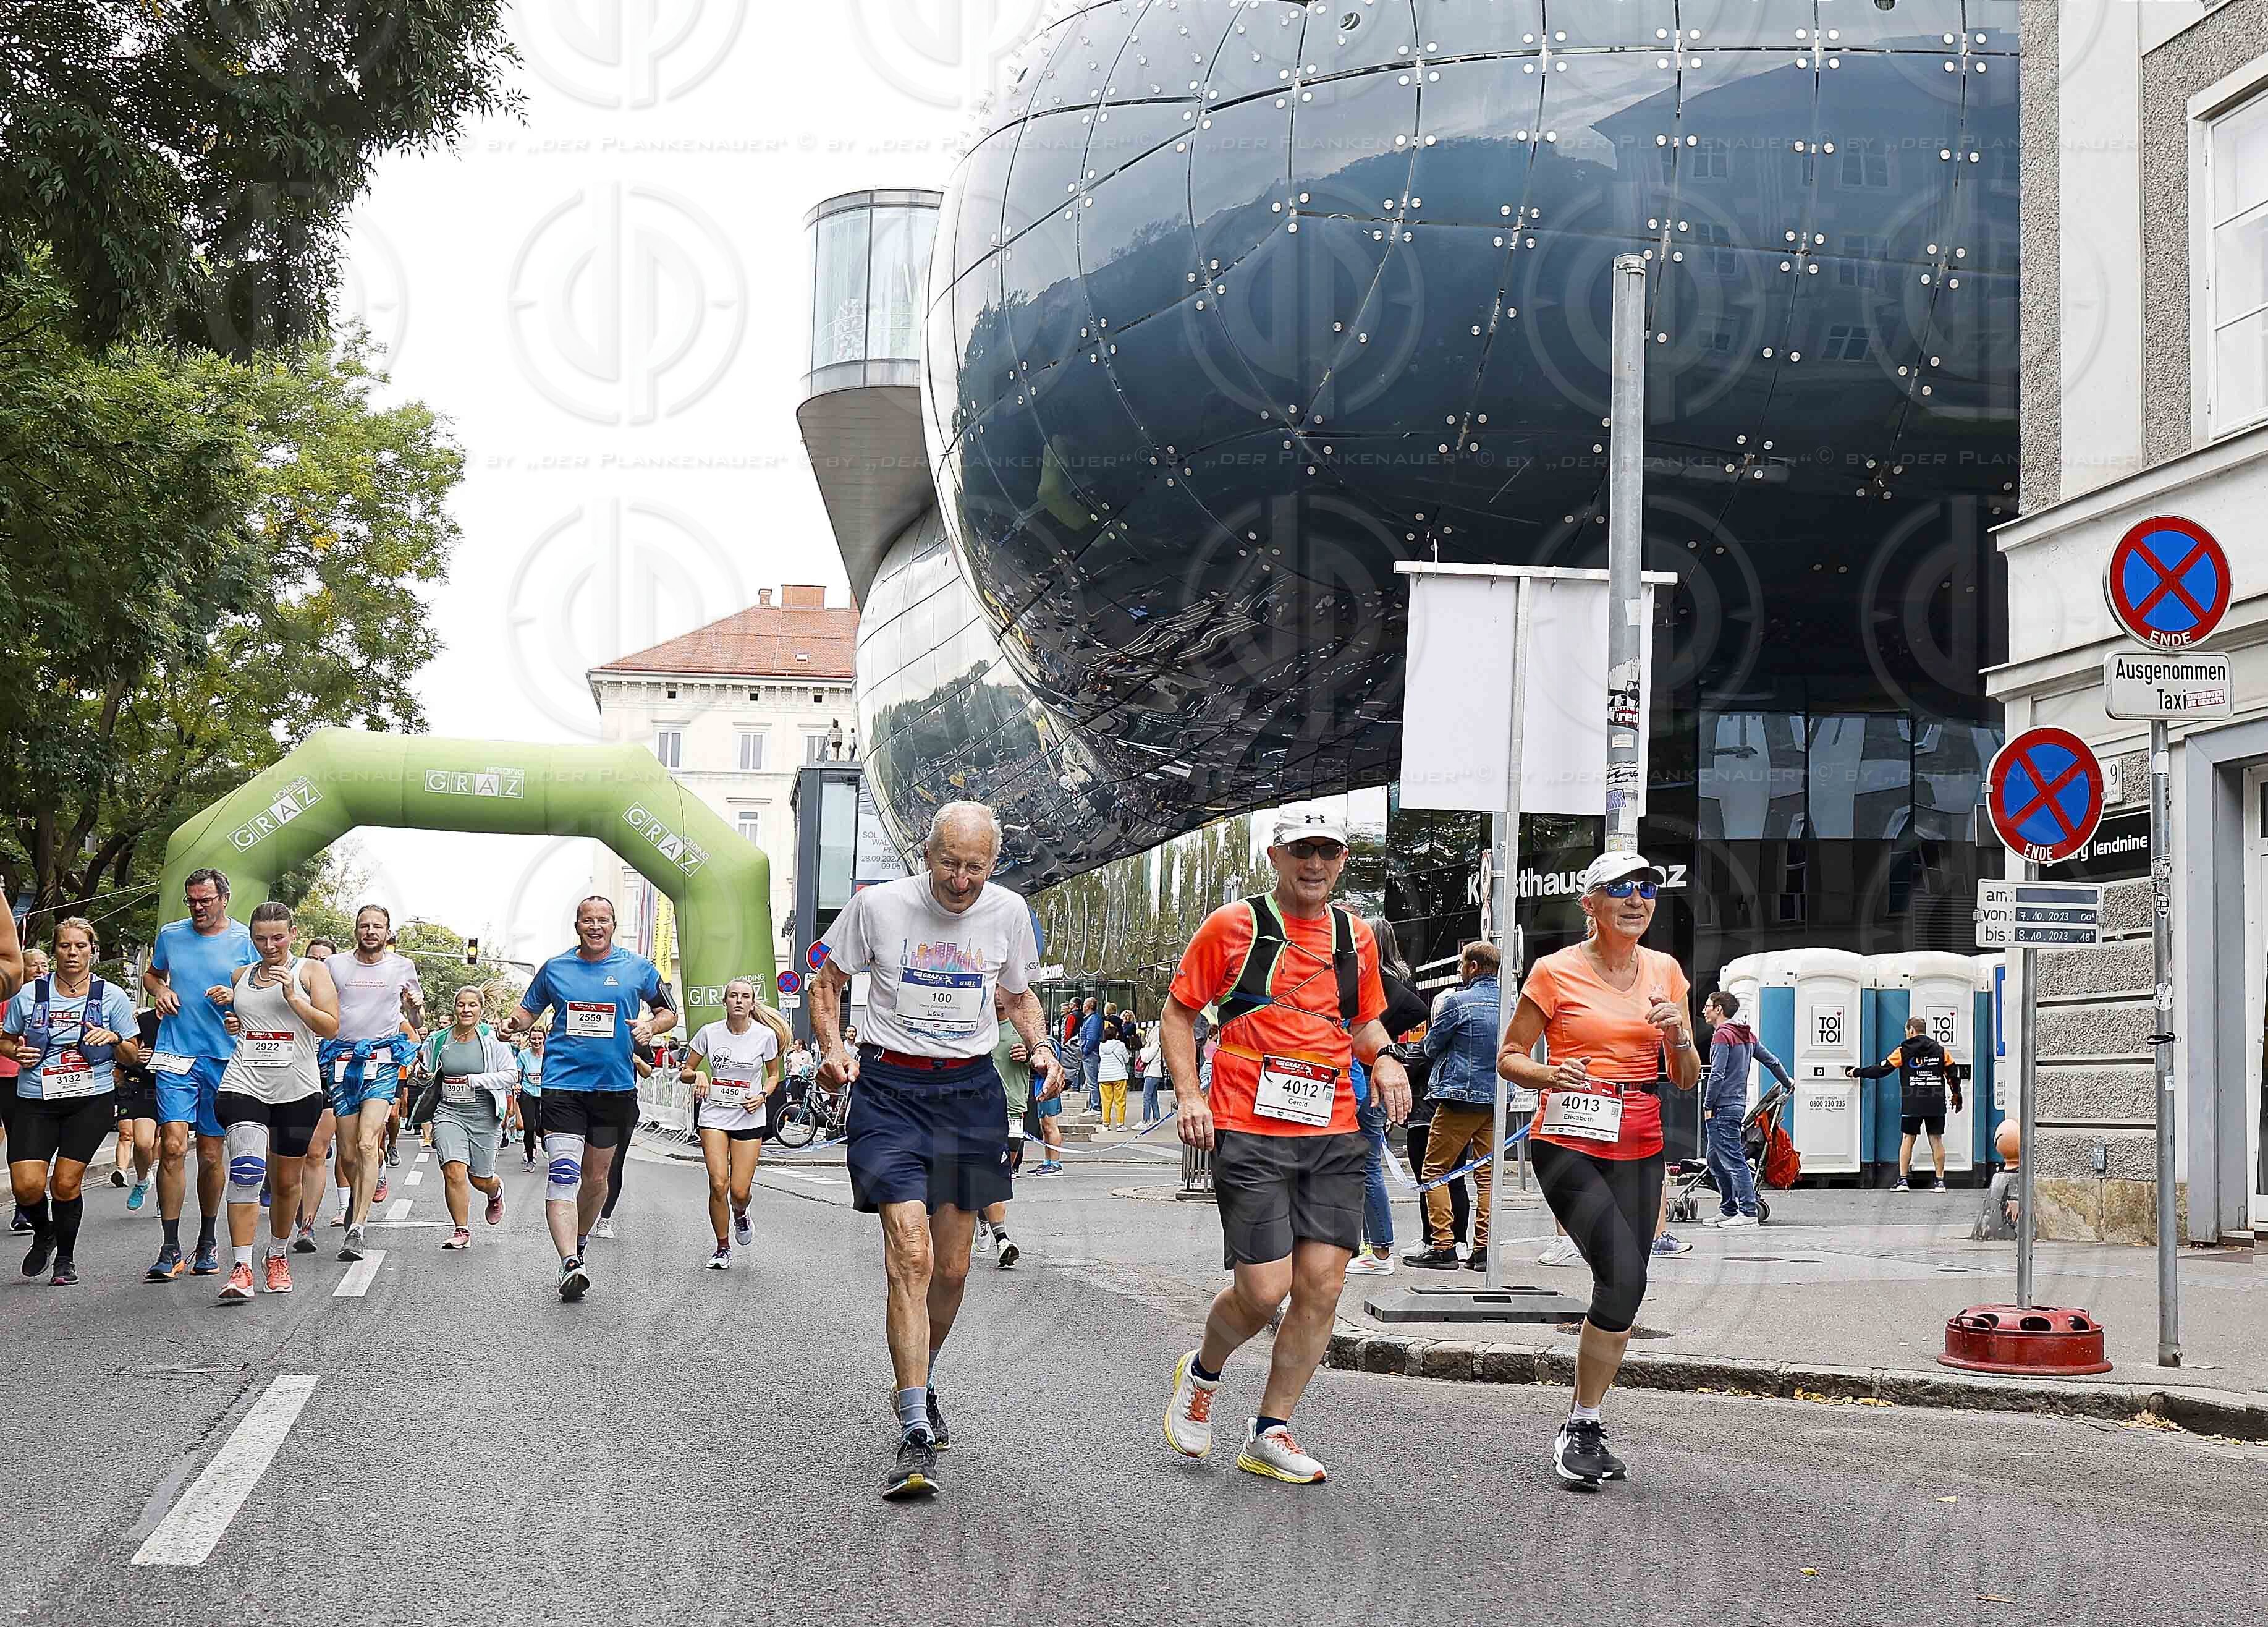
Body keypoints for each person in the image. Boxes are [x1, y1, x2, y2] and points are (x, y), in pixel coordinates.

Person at [808, 800, 1062, 1502]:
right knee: (911, 1254)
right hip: (890, 1090)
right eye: (949, 862)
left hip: (970, 1095)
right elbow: (826, 982)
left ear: (993, 863)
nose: (960, 879)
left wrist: (1041, 1047)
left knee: (952, 1267)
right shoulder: (877, 906)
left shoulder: (1007, 911)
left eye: (975, 866)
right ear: (925, 855)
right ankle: (916, 1421)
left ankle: (917, 1374)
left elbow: (1017, 999)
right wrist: (833, 1049)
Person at [1160, 809, 1410, 1486]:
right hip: (1249, 1125)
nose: (1315, 863)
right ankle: (1203, 1372)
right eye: (1302, 850)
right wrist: (1189, 1094)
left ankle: (1270, 1429)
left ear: (1342, 860)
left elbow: (1361, 1020)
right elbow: (1180, 1010)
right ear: (1275, 855)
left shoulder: (1353, 936)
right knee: (1264, 1289)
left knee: (1323, 1287)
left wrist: (1384, 1058)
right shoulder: (1232, 926)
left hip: (1331, 1130)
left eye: (1328, 851)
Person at [1496, 852, 1701, 1490]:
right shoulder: (1553, 971)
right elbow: (1508, 1056)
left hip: (1640, 1141)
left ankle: (1583, 1421)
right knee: (1623, 1271)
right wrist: (1548, 1072)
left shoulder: (1666, 971)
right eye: (1620, 889)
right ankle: (1581, 1427)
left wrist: (1680, 1038)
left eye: (1647, 888)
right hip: (1569, 1140)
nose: (1637, 899)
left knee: (1625, 1290)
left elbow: (1687, 1078)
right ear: (1590, 903)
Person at [496, 897, 673, 1302]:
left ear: (614, 925)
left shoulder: (638, 968)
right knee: (563, 1171)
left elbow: (669, 1011)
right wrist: (511, 1026)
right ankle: (568, 1263)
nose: (596, 926)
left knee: (596, 1179)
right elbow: (526, 1013)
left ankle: (578, 1243)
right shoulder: (555, 969)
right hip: (563, 1087)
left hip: (613, 1089)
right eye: (587, 920)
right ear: (576, 925)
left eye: (603, 920)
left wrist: (651, 1026)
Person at [2, 919, 142, 1285]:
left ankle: (65, 1258)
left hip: (89, 1100)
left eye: (81, 946)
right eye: (65, 946)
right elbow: (5, 1039)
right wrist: (17, 1054)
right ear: (55, 950)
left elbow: (131, 1055)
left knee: (65, 1183)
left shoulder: (111, 996)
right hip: (36, 1098)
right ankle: (44, 1231)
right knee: (26, 1185)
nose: (73, 953)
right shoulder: (30, 995)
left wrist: (113, 1038)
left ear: (92, 950)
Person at [213, 903, 339, 1301]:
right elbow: (245, 1021)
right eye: (261, 938)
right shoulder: (240, 976)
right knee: (247, 1170)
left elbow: (331, 1026)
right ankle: (241, 1266)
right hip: (244, 1082)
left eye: (277, 937)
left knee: (286, 1183)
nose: (269, 945)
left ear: (293, 934)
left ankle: (278, 1254)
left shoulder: (311, 972)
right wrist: (231, 1017)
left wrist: (294, 998)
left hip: (297, 1089)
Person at [142, 869, 256, 1280]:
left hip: (223, 1059)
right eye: (192, 900)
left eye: (205, 900)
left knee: (210, 1153)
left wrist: (237, 998)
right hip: (177, 1054)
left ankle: (207, 1240)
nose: (198, 907)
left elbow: (264, 991)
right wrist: (161, 991)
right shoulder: (172, 935)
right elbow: (152, 974)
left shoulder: (245, 939)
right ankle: (169, 1246)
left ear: (225, 898)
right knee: (171, 1146)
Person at [318, 905, 422, 1262]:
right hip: (342, 1060)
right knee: (348, 1153)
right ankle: (364, 1186)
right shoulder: (335, 966)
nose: (370, 931)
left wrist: (414, 1007)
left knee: (365, 1143)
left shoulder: (402, 967)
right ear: (356, 931)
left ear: (388, 932)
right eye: (364, 926)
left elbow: (416, 1017)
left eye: (378, 926)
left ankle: (358, 1227)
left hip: (383, 1060)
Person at [1405, 942, 1505, 1273]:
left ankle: (1443, 1245)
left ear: (1474, 967)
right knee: (1487, 1177)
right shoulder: (1512, 1004)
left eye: (1463, 964)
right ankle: (1482, 1250)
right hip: (1496, 1100)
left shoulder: (1457, 1003)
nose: (1461, 970)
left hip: (1459, 1100)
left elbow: (1431, 1046)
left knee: (1435, 1172)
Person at [1343, 916, 1430, 1278]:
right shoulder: (1384, 980)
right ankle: (1371, 1246)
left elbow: (1416, 1011)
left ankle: (1379, 1250)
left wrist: (1383, 1043)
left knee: (1366, 1163)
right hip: (1367, 1075)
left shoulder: (1380, 982)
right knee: (1362, 1163)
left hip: (1365, 1077)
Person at [684, 978, 791, 1270]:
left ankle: (741, 1214)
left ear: (753, 1003)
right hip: (714, 1116)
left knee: (739, 1191)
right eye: (733, 996)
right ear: (725, 1002)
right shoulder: (709, 1033)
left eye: (745, 996)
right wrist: (699, 1076)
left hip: (749, 1116)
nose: (739, 1001)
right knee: (718, 1183)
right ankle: (722, 1247)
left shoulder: (765, 1036)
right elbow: (686, 1070)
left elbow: (773, 1076)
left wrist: (762, 1096)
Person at [417, 987, 514, 1251]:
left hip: (484, 1114)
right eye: (461, 1005)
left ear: (481, 1009)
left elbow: (510, 1075)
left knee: (479, 1179)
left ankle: (495, 1192)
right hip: (449, 1112)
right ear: (455, 1008)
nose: (466, 1010)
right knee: (453, 1169)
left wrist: (476, 1080)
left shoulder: (493, 1040)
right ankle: (462, 1230)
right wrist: (422, 1074)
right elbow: (424, 1074)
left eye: (472, 1005)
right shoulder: (438, 1040)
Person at [1699, 991, 1792, 1227]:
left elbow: (1717, 1074)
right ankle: (1729, 1208)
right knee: (1714, 1159)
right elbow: (1772, 1061)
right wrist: (1787, 1082)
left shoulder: (1722, 1036)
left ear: (1719, 1009)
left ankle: (1748, 1212)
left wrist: (1708, 1104)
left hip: (1722, 1107)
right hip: (1737, 1105)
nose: (1704, 1010)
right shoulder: (1747, 1035)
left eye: (1708, 1006)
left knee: (1732, 1159)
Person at [1850, 1015, 1964, 1192]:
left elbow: (1882, 1070)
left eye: (1906, 1031)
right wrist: (1957, 1095)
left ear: (1911, 1030)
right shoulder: (1941, 1051)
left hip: (1913, 1103)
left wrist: (1858, 1072)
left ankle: (1903, 1181)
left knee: (1907, 1138)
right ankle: (1940, 1182)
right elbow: (1953, 1074)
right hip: (1936, 1102)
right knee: (1936, 1139)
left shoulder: (1903, 1050)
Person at [979, 1003, 1038, 1268]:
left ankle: (982, 1213)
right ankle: (1002, 1239)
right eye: (996, 989)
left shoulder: (1023, 1026)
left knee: (1000, 1175)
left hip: (1014, 1110)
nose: (1000, 996)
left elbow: (1048, 1056)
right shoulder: (978, 1024)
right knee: (992, 1174)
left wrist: (1030, 1056)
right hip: (979, 1110)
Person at [591, 1043, 655, 1240]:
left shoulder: (638, 1037)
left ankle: (605, 1218)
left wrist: (636, 1060)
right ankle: (583, 1210)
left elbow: (648, 1072)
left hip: (624, 1104)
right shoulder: (597, 1029)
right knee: (592, 1166)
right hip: (592, 1100)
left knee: (615, 1162)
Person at [112, 1007, 163, 1207]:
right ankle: (142, 1181)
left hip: (180, 1086)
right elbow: (129, 1049)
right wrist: (136, 1056)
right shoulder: (144, 1019)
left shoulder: (189, 1016)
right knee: (143, 1143)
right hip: (148, 1086)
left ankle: (166, 1196)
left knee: (172, 1147)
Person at [512, 1026, 546, 1169]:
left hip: (545, 1094)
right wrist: (517, 1084)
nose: (536, 1042)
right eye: (533, 1038)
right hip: (528, 1094)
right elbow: (517, 1074)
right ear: (529, 1039)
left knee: (541, 1128)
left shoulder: (549, 1055)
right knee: (529, 1128)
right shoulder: (524, 1055)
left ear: (544, 1039)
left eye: (539, 1038)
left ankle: (544, 1142)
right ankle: (530, 1159)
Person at [1097, 1024, 1130, 1128]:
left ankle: (1106, 1124)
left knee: (1106, 1101)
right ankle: (1120, 1124)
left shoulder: (1101, 1046)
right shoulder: (1120, 1045)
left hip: (1104, 1076)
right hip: (1119, 1076)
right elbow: (1126, 1059)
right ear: (1116, 1034)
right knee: (1120, 1101)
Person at [1138, 1022, 1168, 1126]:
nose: (1147, 1035)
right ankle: (1156, 1119)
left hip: (1152, 1074)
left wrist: (1143, 1050)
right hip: (1154, 1074)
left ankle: (1145, 1120)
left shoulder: (1156, 1045)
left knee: (1146, 1098)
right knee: (1153, 1098)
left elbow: (1146, 1058)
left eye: (1149, 1033)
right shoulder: (1156, 1046)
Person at [1077, 996, 1103, 1113]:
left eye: (1084, 1005)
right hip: (1088, 1053)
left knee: (1092, 1081)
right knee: (1091, 1081)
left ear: (1088, 1006)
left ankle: (1096, 1107)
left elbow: (1092, 1038)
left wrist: (1085, 1051)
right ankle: (1093, 1105)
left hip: (1090, 1054)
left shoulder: (1093, 1020)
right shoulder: (1091, 1019)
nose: (1082, 1007)